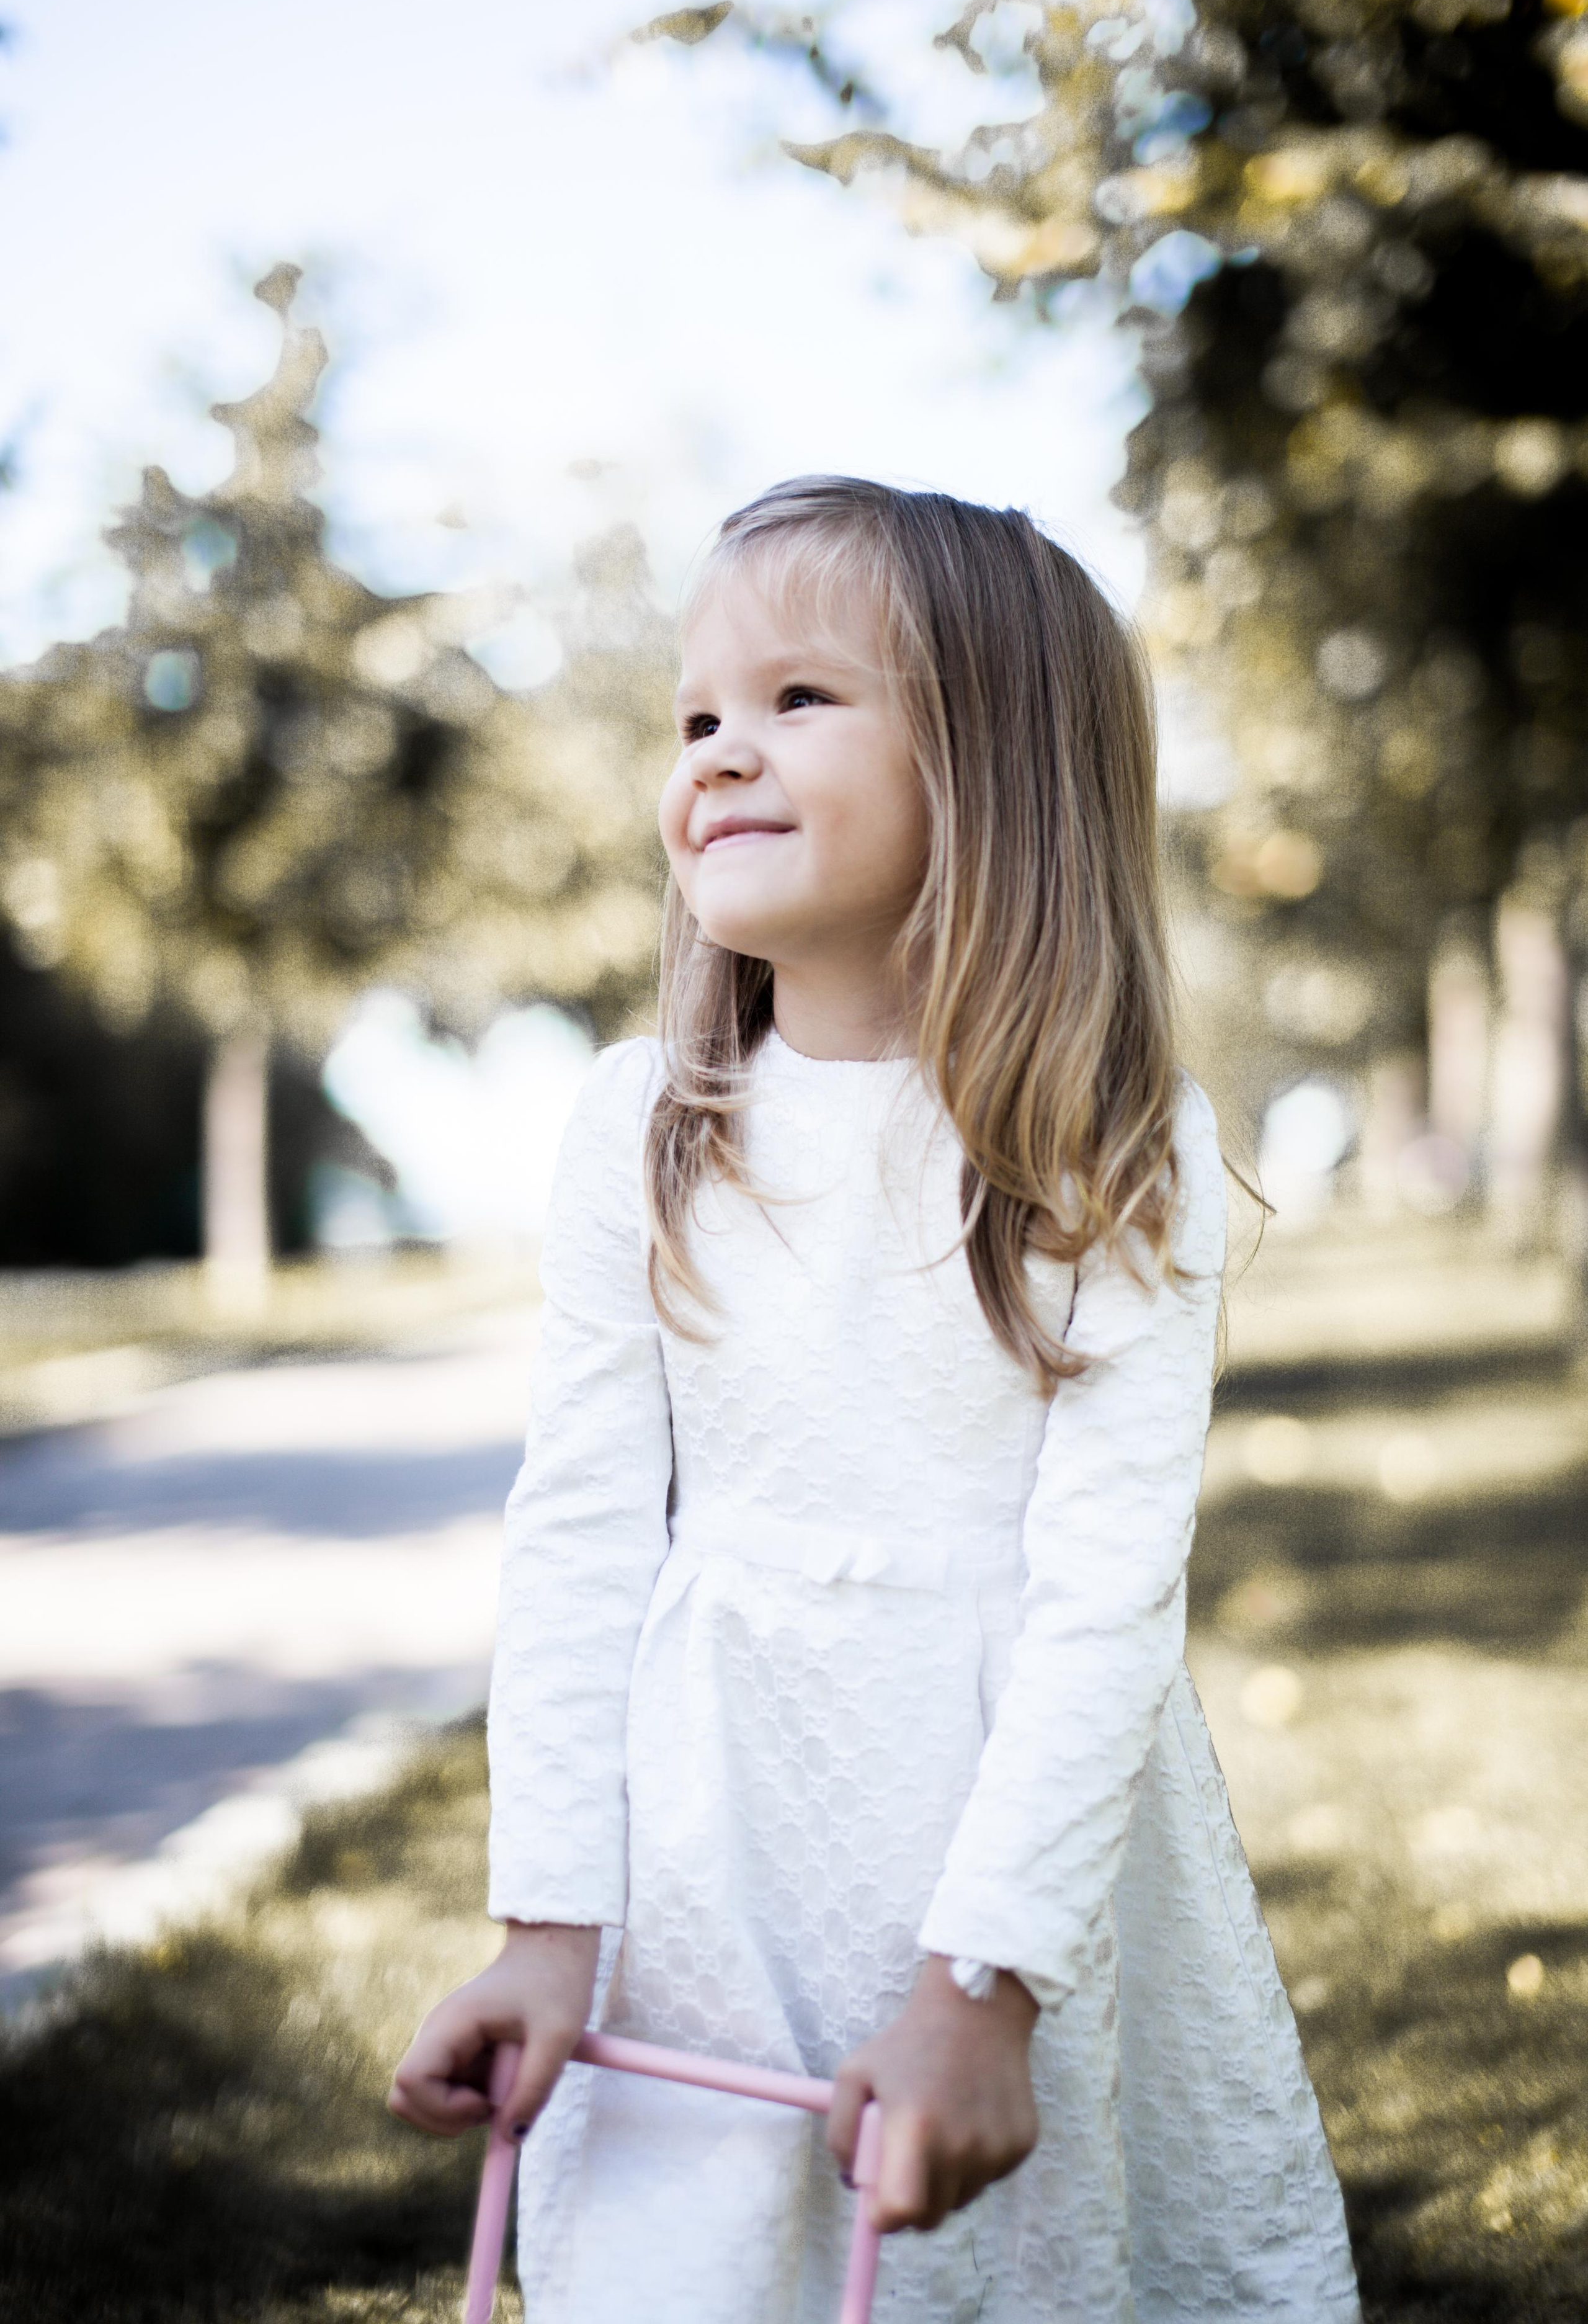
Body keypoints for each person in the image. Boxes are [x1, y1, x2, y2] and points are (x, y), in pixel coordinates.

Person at [389, 476, 1361, 2322]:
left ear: (992, 765)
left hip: (992, 1825)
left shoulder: (1113, 1144)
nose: (719, 755)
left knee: (1008, 2270)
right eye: (695, 717)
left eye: (797, 702)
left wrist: (981, 1991)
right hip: (715, 1824)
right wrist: (545, 1935)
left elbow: (1106, 1598)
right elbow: (582, 1539)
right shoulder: (641, 1128)